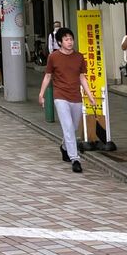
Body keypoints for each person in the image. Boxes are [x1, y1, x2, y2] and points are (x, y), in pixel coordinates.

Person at [38, 26, 97, 173]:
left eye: (71, 39)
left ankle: (64, 147)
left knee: (73, 127)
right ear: (60, 42)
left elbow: (82, 77)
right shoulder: (53, 57)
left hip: (76, 96)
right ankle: (75, 159)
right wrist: (41, 94)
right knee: (68, 127)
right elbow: (48, 76)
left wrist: (90, 95)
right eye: (66, 39)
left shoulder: (79, 57)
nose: (70, 42)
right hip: (60, 96)